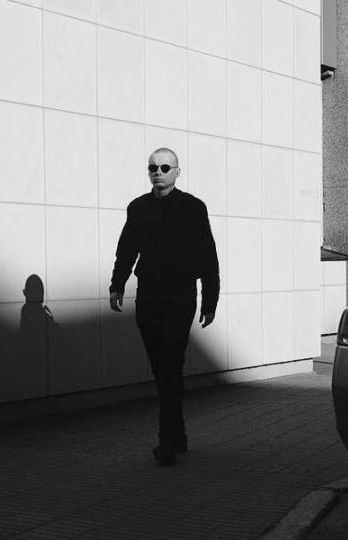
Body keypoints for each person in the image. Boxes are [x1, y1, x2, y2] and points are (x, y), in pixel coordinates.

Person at [109, 147, 220, 465]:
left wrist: (210, 300)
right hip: (148, 297)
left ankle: (167, 441)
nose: (158, 172)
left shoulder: (193, 208)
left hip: (179, 297)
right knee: (162, 370)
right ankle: (178, 434)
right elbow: (126, 249)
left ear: (177, 172)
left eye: (165, 167)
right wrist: (117, 285)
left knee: (170, 367)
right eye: (153, 167)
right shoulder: (138, 208)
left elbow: (207, 255)